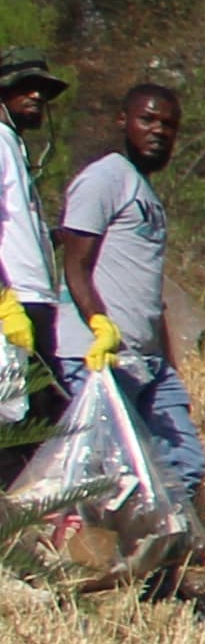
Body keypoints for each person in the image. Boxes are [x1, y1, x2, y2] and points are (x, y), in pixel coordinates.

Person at [59, 78, 198, 510]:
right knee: (109, 473)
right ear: (123, 121)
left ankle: (153, 564)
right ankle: (93, 562)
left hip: (147, 358)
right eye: (148, 119)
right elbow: (75, 264)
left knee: (183, 465)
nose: (159, 131)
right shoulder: (104, 179)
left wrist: (166, 356)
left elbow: (147, 288)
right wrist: (99, 324)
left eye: (169, 125)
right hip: (100, 354)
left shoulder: (146, 193)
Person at [0, 53, 67, 425]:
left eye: (42, 89)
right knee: (26, 428)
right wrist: (4, 302)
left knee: (41, 424)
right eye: (24, 87)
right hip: (16, 304)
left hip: (35, 302)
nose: (37, 95)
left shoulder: (14, 146)